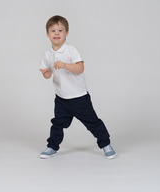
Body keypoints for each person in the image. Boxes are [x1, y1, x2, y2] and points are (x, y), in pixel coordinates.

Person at [39, 15, 116, 159]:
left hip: (79, 97)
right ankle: (52, 146)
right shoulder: (47, 54)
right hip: (61, 98)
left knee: (93, 122)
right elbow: (46, 74)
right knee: (57, 124)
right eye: (53, 31)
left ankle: (106, 144)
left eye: (60, 30)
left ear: (66, 33)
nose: (56, 33)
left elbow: (80, 68)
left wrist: (65, 65)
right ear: (47, 34)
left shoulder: (70, 50)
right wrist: (47, 73)